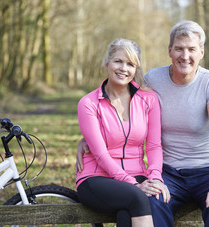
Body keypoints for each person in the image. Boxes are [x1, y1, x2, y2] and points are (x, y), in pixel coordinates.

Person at [77, 21, 209, 226]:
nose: (185, 56)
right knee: (152, 201)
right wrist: (87, 139)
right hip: (168, 171)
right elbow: (113, 103)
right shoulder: (153, 80)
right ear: (169, 50)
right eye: (179, 48)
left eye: (191, 49)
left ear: (202, 52)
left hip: (206, 171)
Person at [76, 38, 170, 227]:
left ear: (136, 68)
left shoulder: (149, 100)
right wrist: (133, 184)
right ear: (107, 62)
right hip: (96, 178)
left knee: (150, 200)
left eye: (130, 64)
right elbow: (100, 154)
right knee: (136, 197)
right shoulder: (88, 103)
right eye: (118, 61)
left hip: (137, 174)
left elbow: (153, 146)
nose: (123, 68)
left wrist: (155, 177)